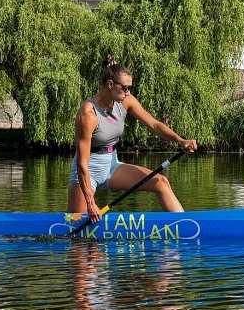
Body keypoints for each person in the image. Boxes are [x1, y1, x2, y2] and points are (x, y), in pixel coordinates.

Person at [68, 55, 197, 223]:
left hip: (112, 165)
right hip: (87, 171)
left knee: (161, 182)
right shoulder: (88, 113)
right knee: (78, 230)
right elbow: (82, 163)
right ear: (110, 84)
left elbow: (155, 125)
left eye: (130, 88)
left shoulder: (125, 101)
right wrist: (91, 203)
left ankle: (184, 225)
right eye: (125, 88)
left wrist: (180, 140)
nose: (128, 93)